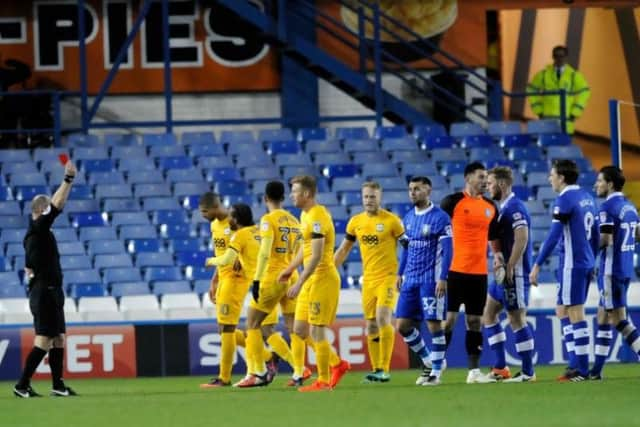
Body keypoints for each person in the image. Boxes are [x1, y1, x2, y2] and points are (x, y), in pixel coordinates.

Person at [278, 175, 350, 392]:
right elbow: (306, 247)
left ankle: (324, 381)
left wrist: (299, 282)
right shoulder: (304, 214)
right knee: (299, 329)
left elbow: (317, 255)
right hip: (310, 278)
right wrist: (290, 268)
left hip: (322, 278)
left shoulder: (318, 217)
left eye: (295, 191)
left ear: (306, 194)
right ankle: (338, 363)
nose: (291, 195)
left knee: (317, 330)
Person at [529, 159, 598, 382]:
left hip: (573, 263)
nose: (549, 178)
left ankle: (581, 370)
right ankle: (573, 364)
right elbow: (596, 234)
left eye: (552, 175)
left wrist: (538, 264)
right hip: (583, 262)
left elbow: (554, 235)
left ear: (561, 177)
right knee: (561, 310)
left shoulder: (565, 199)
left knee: (576, 311)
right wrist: (592, 259)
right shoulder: (587, 197)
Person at [14, 160, 77, 398]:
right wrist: (68, 180)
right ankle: (22, 384)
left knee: (59, 338)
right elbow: (57, 204)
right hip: (44, 291)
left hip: (51, 290)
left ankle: (57, 385)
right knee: (45, 338)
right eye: (48, 210)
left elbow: (29, 265)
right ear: (41, 211)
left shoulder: (38, 235)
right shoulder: (39, 228)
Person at [236, 182, 309, 387]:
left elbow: (265, 252)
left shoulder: (268, 220)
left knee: (252, 324)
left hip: (273, 277)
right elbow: (302, 251)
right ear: (283, 198)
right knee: (292, 327)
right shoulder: (294, 221)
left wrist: (257, 280)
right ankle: (298, 371)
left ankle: (259, 372)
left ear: (265, 198)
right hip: (291, 275)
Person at [334, 181, 405, 383]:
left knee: (383, 318)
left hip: (388, 278)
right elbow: (344, 250)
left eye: (372, 197)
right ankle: (376, 369)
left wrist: (404, 271)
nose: (368, 200)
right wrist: (329, 269)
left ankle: (385, 369)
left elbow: (407, 247)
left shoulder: (392, 221)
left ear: (380, 198)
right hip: (369, 280)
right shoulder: (355, 222)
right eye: (365, 197)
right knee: (372, 325)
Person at [440, 162, 502, 384]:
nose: (485, 181)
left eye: (486, 177)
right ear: (467, 178)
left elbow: (494, 236)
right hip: (455, 272)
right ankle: (436, 367)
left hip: (479, 274)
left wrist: (497, 255)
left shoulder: (490, 206)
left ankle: (474, 372)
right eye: (480, 176)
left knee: (475, 322)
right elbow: (438, 230)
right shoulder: (452, 202)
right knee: (448, 321)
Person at [198, 194, 265, 388]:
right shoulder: (214, 226)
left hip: (236, 278)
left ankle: (224, 377)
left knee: (226, 328)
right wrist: (214, 280)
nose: (203, 216)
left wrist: (239, 259)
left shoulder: (235, 222)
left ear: (215, 207)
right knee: (224, 329)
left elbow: (249, 245)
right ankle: (267, 356)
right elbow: (221, 253)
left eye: (204, 212)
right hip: (224, 277)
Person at [481, 167, 536, 383]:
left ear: (502, 185)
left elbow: (521, 237)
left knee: (516, 319)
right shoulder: (502, 208)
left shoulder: (515, 207)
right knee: (489, 313)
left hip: (515, 274)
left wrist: (511, 265)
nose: (488, 186)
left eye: (491, 183)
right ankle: (500, 368)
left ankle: (528, 373)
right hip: (501, 275)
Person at [395, 176, 452, 386]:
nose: (412, 193)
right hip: (410, 279)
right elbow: (406, 249)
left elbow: (448, 251)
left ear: (428, 190)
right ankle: (429, 361)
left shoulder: (440, 217)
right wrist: (400, 273)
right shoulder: (408, 218)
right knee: (402, 325)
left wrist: (443, 278)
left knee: (433, 325)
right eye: (410, 189)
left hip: (431, 280)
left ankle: (436, 372)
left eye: (417, 189)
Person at [590, 166, 640, 379]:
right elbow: (637, 236)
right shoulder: (630, 207)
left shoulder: (607, 207)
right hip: (626, 267)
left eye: (600, 181)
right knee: (603, 316)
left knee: (618, 319)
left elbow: (606, 239)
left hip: (610, 270)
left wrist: (588, 250)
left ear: (610, 184)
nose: (596, 185)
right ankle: (596, 371)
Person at [528, 45, 591, 134]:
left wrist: (576, 111)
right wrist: (538, 110)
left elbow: (585, 91)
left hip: (566, 120)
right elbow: (531, 89)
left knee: (564, 147)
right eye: (557, 56)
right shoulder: (544, 74)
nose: (559, 59)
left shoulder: (573, 75)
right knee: (548, 146)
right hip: (547, 119)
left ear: (566, 57)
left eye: (562, 56)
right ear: (553, 57)